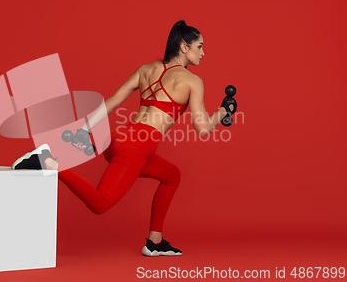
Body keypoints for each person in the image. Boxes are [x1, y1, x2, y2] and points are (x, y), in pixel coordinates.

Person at [13, 20, 236, 256]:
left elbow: (112, 101)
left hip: (121, 137)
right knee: (100, 204)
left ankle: (155, 242)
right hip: (137, 146)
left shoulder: (147, 69)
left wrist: (84, 129)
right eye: (199, 46)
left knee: (172, 175)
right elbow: (202, 128)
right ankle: (47, 161)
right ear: (183, 47)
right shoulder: (193, 81)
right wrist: (222, 112)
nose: (203, 52)